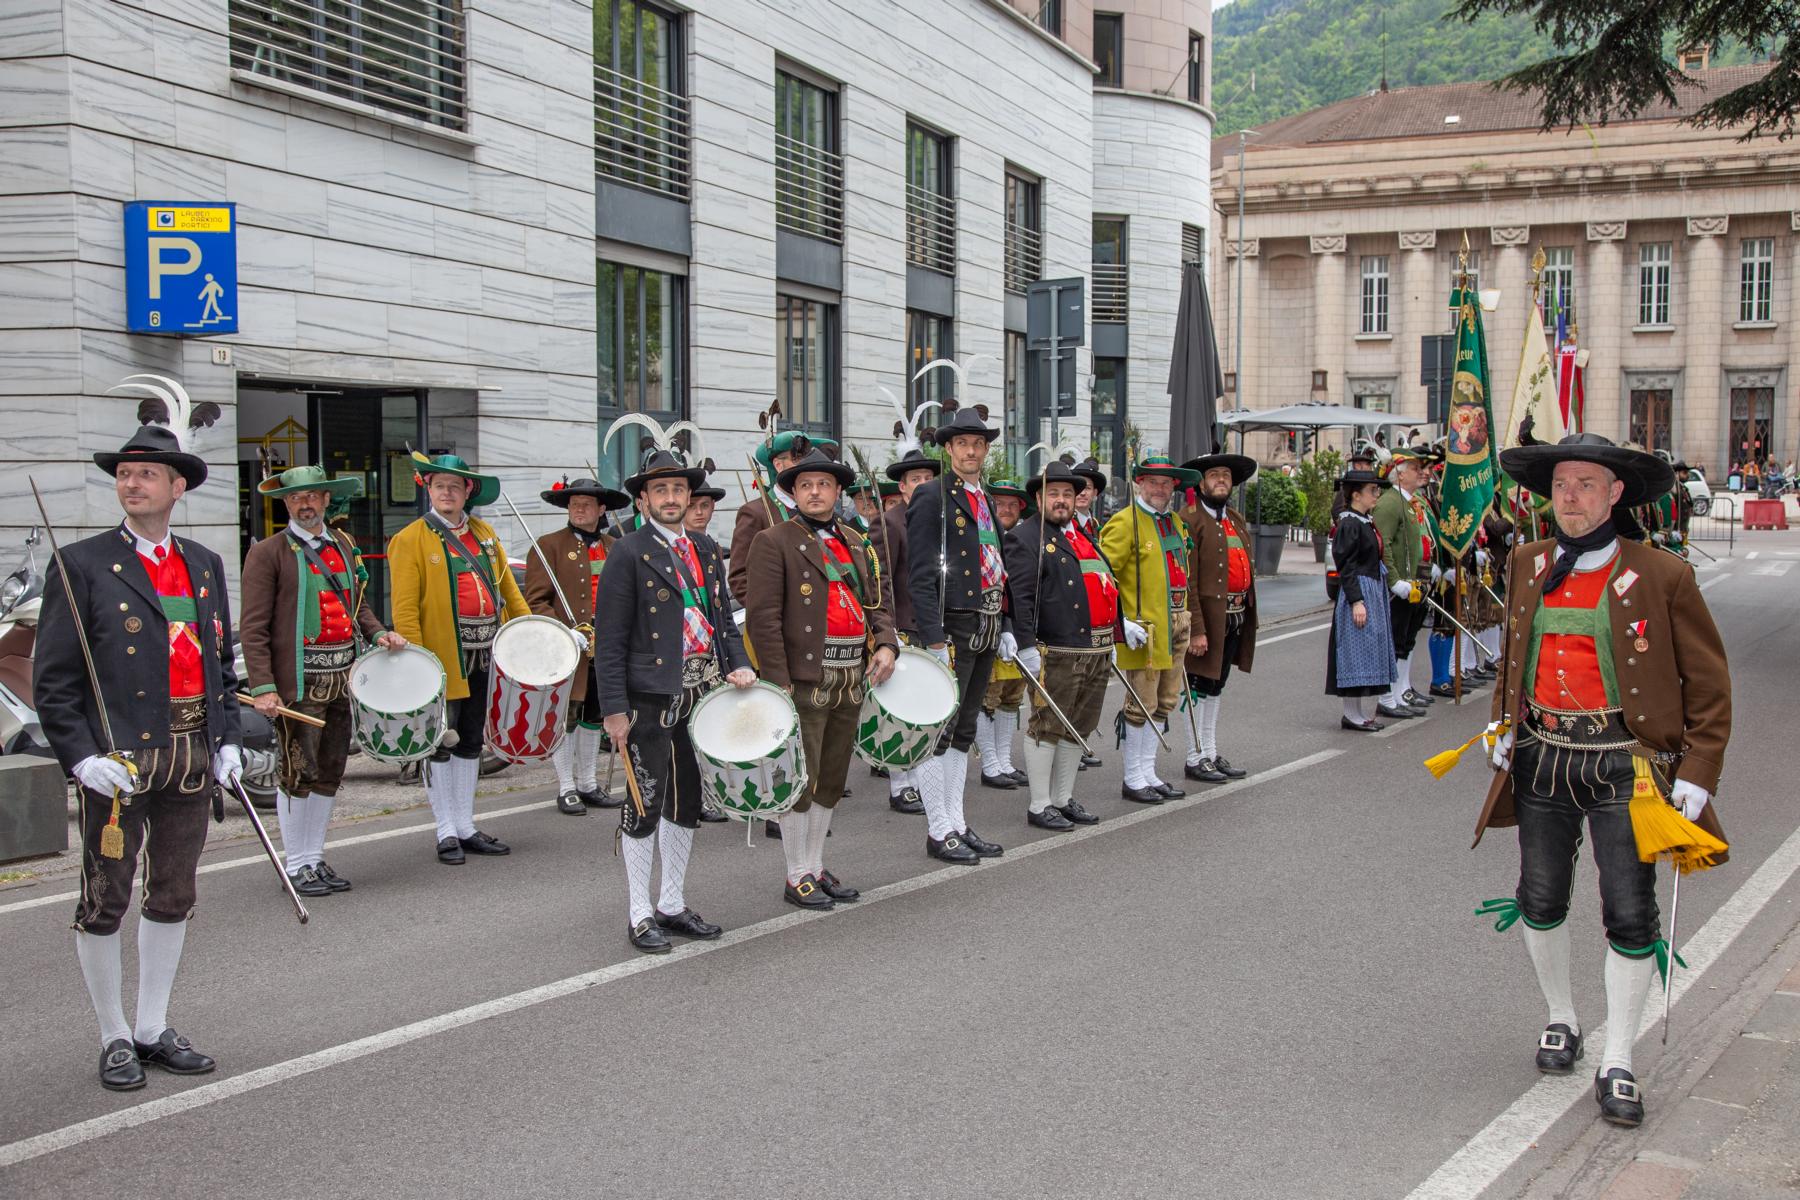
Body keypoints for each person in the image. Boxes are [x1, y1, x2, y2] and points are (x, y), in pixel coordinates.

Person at [1478, 433, 1731, 1128]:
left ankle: (1618, 1056)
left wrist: (1700, 771)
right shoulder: (1527, 562)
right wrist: (1503, 722)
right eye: (1562, 484)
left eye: (1586, 484)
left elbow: (1710, 685)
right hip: (1543, 756)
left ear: (1616, 493)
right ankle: (1561, 1017)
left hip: (1629, 766)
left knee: (1629, 911)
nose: (1570, 497)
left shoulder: (1663, 574)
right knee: (1539, 898)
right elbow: (1516, 657)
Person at [36, 420, 244, 1091]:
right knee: (105, 899)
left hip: (189, 756)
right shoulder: (82, 564)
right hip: (118, 763)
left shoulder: (203, 564)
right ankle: (114, 1035)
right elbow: (54, 681)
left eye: (147, 473)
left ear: (177, 487)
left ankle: (153, 1026)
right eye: (124, 474)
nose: (131, 483)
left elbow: (219, 665)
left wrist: (228, 738)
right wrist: (80, 759)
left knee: (175, 892)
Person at [596, 444, 755, 953]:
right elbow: (609, 640)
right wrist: (613, 709)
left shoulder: (705, 548)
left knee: (686, 802)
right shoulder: (627, 551)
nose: (670, 497)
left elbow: (722, 618)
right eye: (660, 489)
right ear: (643, 499)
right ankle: (639, 914)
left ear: (689, 496)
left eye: (678, 489)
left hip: (702, 692)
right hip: (647, 698)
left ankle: (671, 903)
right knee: (644, 802)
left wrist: (737, 663)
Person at [744, 448, 898, 907]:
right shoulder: (772, 540)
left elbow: (876, 601)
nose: (815, 492)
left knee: (831, 776)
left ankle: (814, 865)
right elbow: (763, 618)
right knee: (801, 779)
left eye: (824, 484)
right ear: (793, 492)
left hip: (852, 672)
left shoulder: (855, 540)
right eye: (805, 485)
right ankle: (796, 875)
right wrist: (778, 681)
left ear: (837, 491)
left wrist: (886, 643)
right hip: (804, 676)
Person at [241, 465, 405, 895]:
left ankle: (314, 858)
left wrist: (378, 633)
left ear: (327, 499)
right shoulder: (268, 553)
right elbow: (253, 627)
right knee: (298, 772)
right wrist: (263, 686)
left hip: (343, 676)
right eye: (297, 498)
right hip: (298, 681)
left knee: (330, 772)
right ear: (286, 503)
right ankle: (295, 865)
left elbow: (356, 604)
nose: (305, 504)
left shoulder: (344, 544)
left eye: (312, 496)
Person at [388, 452, 531, 864]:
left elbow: (509, 591)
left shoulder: (485, 533)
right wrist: (419, 665)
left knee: (470, 741)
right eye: (440, 486)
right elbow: (405, 609)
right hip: (441, 659)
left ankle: (466, 825)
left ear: (468, 492)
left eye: (455, 486)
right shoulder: (410, 539)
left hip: (485, 653)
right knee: (439, 743)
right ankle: (445, 830)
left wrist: (530, 634)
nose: (447, 493)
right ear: (428, 490)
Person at [905, 407, 1013, 864]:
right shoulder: (932, 496)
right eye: (963, 443)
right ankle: (938, 830)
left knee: (965, 728)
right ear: (948, 449)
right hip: (951, 626)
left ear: (985, 450)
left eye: (979, 444)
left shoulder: (983, 496)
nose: (971, 451)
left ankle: (957, 822)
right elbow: (920, 574)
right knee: (941, 730)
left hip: (986, 623)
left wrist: (1007, 624)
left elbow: (998, 567)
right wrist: (933, 639)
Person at [1004, 460, 1114, 830]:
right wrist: (1025, 646)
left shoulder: (1082, 536)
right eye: (1053, 493)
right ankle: (1039, 804)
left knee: (1079, 724)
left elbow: (1103, 584)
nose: (1062, 500)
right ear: (1039, 498)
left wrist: (1118, 628)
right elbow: (1018, 598)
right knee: (1048, 724)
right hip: (1056, 650)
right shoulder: (1024, 537)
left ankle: (1063, 798)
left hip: (1095, 648)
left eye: (1068, 493)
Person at [525, 476, 628, 816]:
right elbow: (535, 601)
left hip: (607, 646)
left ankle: (587, 783)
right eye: (574, 504)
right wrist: (563, 632)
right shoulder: (548, 545)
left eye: (586, 504)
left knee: (594, 716)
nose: (579, 509)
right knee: (566, 717)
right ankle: (566, 787)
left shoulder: (615, 547)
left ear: (602, 509)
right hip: (567, 648)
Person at [1099, 454, 1189, 804]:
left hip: (1176, 623)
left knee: (1165, 702)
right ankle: (1132, 777)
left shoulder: (1175, 522)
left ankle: (1149, 771)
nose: (1159, 489)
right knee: (1141, 704)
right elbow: (1103, 576)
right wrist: (1119, 621)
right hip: (1144, 632)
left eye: (1165, 483)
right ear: (1139, 483)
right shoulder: (1124, 522)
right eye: (1153, 482)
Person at [1178, 452, 1260, 782]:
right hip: (1208, 620)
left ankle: (1210, 752)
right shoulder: (1190, 519)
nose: (1221, 480)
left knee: (1216, 685)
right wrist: (1196, 629)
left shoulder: (1234, 518)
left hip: (1234, 616)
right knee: (1198, 685)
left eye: (1226, 475)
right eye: (1214, 475)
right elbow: (1188, 580)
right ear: (1201, 483)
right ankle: (1194, 755)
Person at [875, 446, 939, 815]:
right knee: (901, 710)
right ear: (902, 487)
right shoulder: (890, 522)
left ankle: (923, 778)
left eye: (929, 478)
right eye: (916, 479)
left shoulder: (941, 518)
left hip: (935, 626)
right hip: (904, 626)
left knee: (928, 707)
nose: (924, 484)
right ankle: (900, 785)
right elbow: (881, 579)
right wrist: (889, 629)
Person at [1327, 469, 1397, 730]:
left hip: (1371, 589)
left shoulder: (1364, 520)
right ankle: (1351, 714)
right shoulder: (1349, 523)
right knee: (1354, 651)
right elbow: (1346, 565)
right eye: (1372, 490)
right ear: (1356, 495)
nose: (1376, 495)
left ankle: (1357, 712)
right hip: (1358, 590)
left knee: (1365, 650)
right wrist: (1356, 600)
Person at [1371, 445, 1435, 720]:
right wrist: (1394, 580)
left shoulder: (1407, 502)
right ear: (1398, 474)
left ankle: (1399, 694)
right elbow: (1382, 544)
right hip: (1398, 588)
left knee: (1406, 640)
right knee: (1395, 642)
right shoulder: (1390, 503)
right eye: (1414, 468)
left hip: (1413, 584)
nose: (1420, 472)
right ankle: (1388, 698)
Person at [976, 479, 1031, 790]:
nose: (1006, 510)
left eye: (1012, 505)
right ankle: (990, 763)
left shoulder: (1025, 538)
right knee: (988, 697)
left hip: (1022, 629)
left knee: (1012, 696)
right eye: (999, 504)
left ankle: (1005, 760)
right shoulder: (981, 538)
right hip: (990, 624)